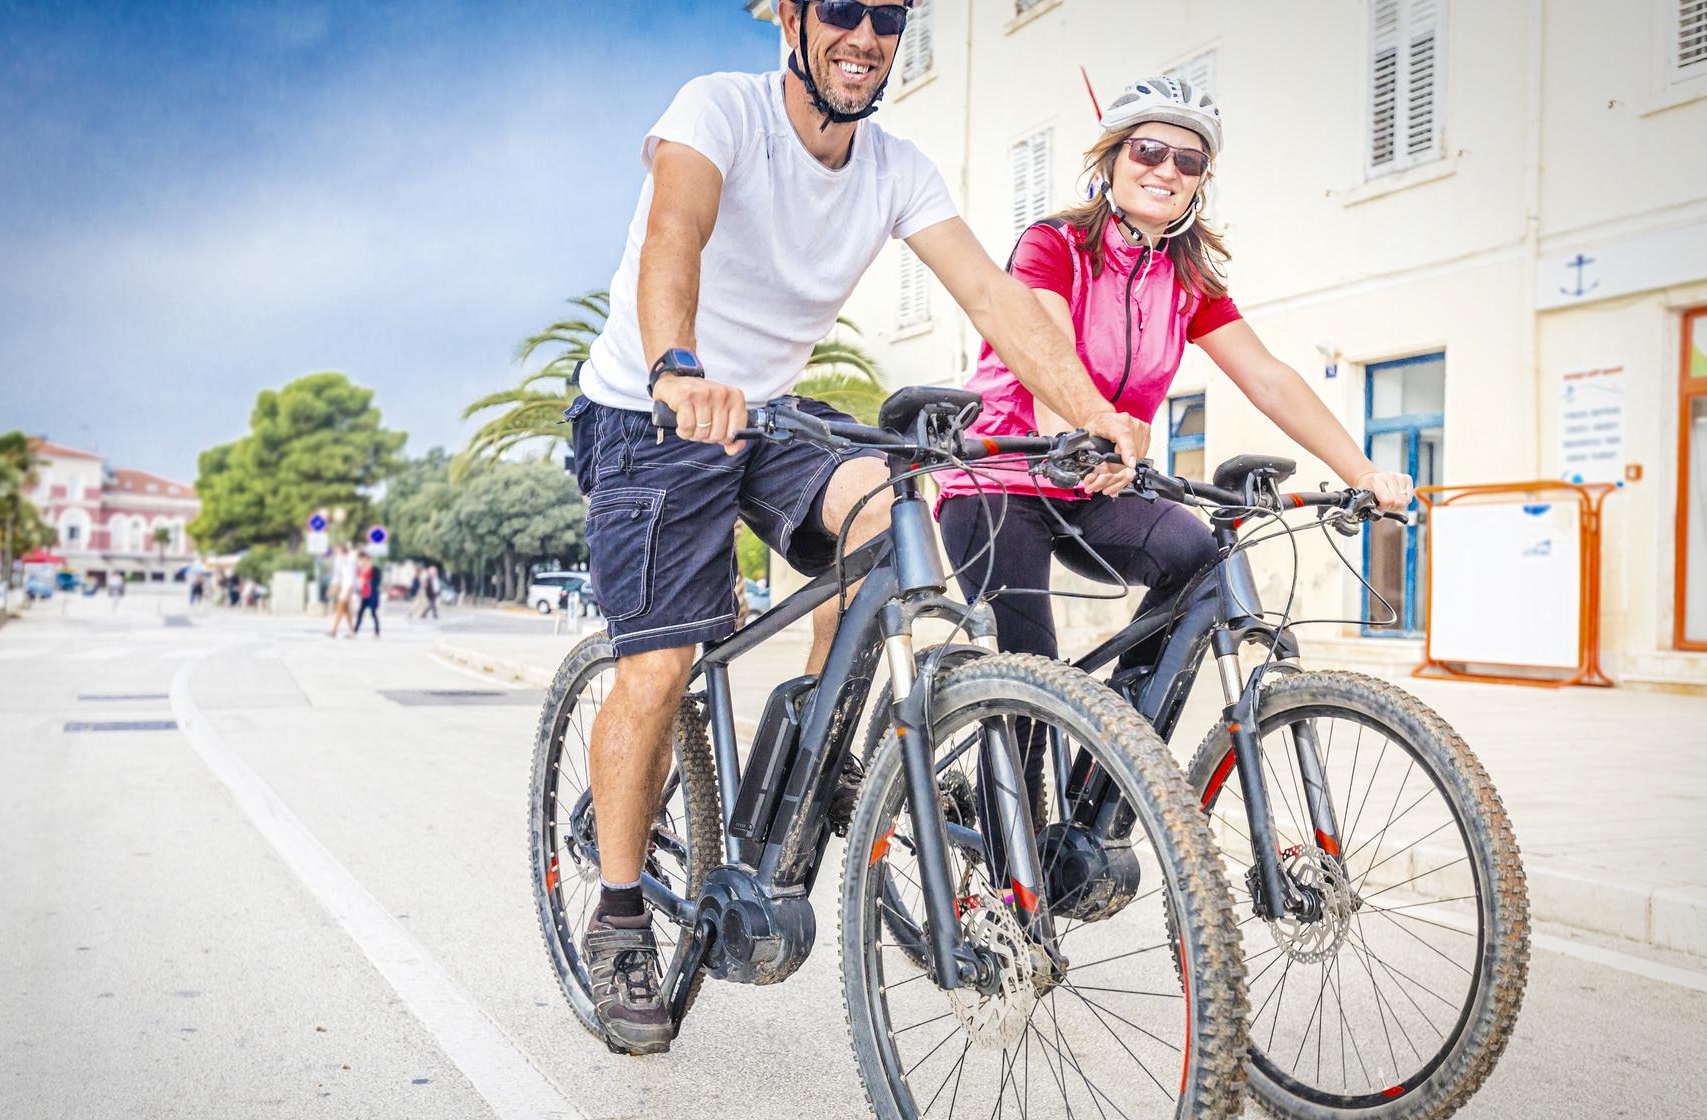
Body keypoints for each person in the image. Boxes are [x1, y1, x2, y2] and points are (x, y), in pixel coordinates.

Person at [562, 0, 1139, 1056]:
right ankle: (618, 915)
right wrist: (677, 365)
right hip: (651, 408)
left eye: (889, 13)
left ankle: (818, 754)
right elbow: (673, 233)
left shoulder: (896, 167)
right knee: (657, 664)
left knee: (887, 497)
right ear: (788, 15)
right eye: (842, 8)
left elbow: (997, 299)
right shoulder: (719, 109)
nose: (866, 33)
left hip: (772, 412)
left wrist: (1091, 414)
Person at [931, 77, 1415, 790]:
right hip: (1001, 479)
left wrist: (1363, 469)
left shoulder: (1186, 279)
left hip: (1100, 481)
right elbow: (1046, 360)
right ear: (1111, 162)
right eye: (1148, 150)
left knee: (1194, 552)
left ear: (1200, 185)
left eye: (1187, 162)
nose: (1166, 170)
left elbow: (1269, 378)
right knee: (1028, 674)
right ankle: (1010, 882)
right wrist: (1085, 433)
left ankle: (1110, 765)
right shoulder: (1053, 246)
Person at [327, 542, 357, 638]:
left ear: (342, 548)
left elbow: (352, 574)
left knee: (340, 607)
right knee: (346, 609)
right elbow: (337, 575)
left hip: (350, 586)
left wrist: (350, 589)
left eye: (338, 549)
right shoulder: (338, 559)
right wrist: (332, 587)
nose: (337, 552)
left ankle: (334, 630)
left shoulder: (351, 557)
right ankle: (352, 631)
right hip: (344, 586)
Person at [352, 552, 381, 638]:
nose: (362, 561)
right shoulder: (361, 570)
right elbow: (359, 580)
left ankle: (377, 632)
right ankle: (355, 631)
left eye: (364, 559)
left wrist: (368, 581)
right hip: (364, 594)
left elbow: (377, 582)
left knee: (373, 613)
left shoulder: (375, 569)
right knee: (360, 613)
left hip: (372, 595)